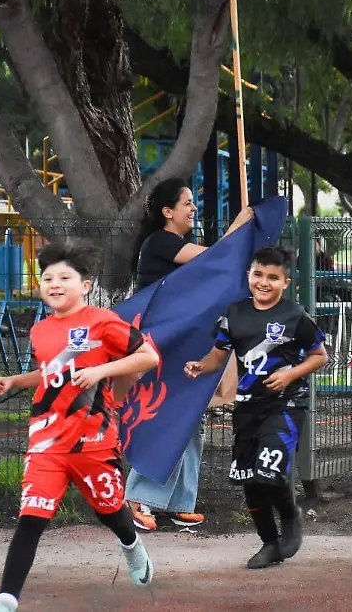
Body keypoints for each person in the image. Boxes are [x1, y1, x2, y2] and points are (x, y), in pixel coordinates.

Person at [0, 241, 159, 612]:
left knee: (110, 511)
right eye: (47, 278)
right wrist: (16, 381)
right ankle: (5, 602)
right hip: (47, 441)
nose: (54, 284)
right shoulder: (40, 331)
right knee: (31, 518)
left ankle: (131, 543)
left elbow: (148, 357)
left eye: (64, 278)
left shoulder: (103, 322)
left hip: (94, 440)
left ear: (85, 285)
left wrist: (100, 371)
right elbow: (51, 373)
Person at [184, 246, 329, 569]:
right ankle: (269, 543)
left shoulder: (295, 316)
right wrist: (200, 366)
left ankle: (290, 515)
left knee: (269, 472)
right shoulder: (234, 314)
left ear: (286, 283)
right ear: (248, 275)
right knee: (250, 480)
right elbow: (218, 356)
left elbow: (320, 356)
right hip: (247, 409)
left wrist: (290, 374)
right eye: (258, 274)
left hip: (285, 405)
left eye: (273, 277)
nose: (264, 282)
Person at [124, 178, 253, 531]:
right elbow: (216, 258)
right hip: (162, 348)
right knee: (170, 416)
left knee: (192, 416)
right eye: (187, 203)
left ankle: (178, 502)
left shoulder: (172, 245)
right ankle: (138, 497)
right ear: (168, 212)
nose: (194, 208)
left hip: (180, 346)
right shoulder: (161, 242)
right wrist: (240, 224)